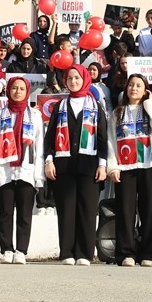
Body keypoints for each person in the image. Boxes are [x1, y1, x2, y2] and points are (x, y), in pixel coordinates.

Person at [44, 64, 108, 265]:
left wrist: (102, 165)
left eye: (77, 78)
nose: (73, 81)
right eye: (70, 78)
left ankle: (84, 253)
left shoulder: (96, 106)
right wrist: (48, 160)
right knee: (66, 209)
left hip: (89, 166)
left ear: (85, 80)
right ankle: (67, 252)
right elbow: (50, 137)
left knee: (87, 210)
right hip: (63, 166)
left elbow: (103, 138)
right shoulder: (59, 106)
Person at [107, 74, 152, 266]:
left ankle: (149, 254)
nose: (134, 88)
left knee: (149, 209)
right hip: (124, 166)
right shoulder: (117, 113)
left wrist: (150, 103)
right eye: (131, 85)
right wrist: (112, 167)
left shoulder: (149, 109)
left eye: (139, 86)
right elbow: (111, 141)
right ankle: (126, 253)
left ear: (145, 90)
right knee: (125, 210)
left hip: (147, 164)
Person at [0, 76, 44, 264]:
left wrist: (38, 174)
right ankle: (7, 249)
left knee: (25, 213)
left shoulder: (35, 116)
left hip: (26, 170)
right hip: (4, 171)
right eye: (14, 88)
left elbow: (39, 145)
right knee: (5, 213)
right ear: (8, 90)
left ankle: (21, 251)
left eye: (21, 89)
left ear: (27, 92)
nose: (17, 92)